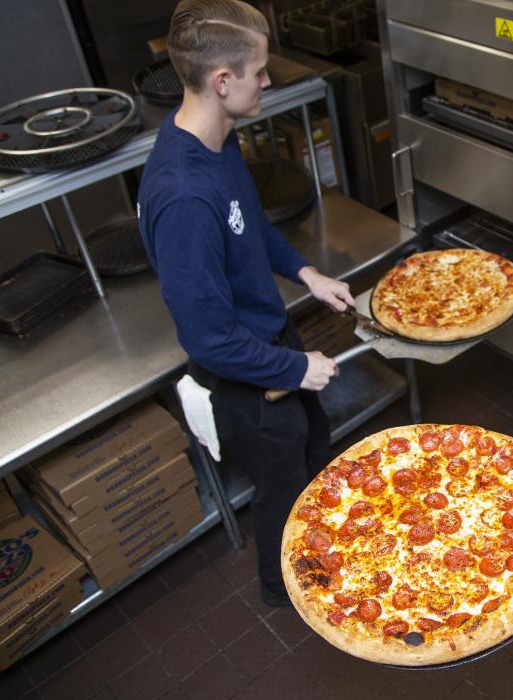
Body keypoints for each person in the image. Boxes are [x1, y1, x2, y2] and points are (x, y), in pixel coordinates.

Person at [138, 0, 355, 607]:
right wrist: (296, 369)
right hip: (243, 374)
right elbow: (206, 338)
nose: (268, 81)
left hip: (272, 339)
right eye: (259, 72)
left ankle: (327, 556)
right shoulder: (182, 197)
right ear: (222, 81)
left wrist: (306, 272)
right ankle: (286, 592)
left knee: (316, 447)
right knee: (282, 488)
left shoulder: (218, 139)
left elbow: (251, 225)